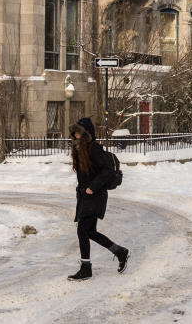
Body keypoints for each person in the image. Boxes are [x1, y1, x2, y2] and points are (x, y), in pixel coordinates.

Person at [67, 117, 129, 281]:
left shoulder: (93, 148)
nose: (75, 134)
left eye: (78, 132)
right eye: (74, 132)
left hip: (95, 195)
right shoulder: (80, 149)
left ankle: (86, 268)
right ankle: (120, 251)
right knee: (90, 232)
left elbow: (108, 171)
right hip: (86, 196)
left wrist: (92, 187)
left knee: (82, 231)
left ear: (86, 134)